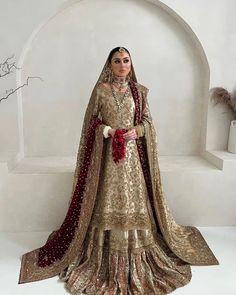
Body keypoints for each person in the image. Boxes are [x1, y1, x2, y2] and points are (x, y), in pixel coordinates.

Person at [18, 47, 219, 294]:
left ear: (131, 64)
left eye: (126, 60)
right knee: (107, 199)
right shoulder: (101, 91)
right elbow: (91, 123)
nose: (122, 65)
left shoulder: (140, 92)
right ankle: (102, 253)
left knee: (134, 200)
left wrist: (139, 131)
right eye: (117, 61)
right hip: (108, 160)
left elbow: (147, 122)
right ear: (110, 65)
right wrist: (108, 131)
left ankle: (138, 250)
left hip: (133, 159)